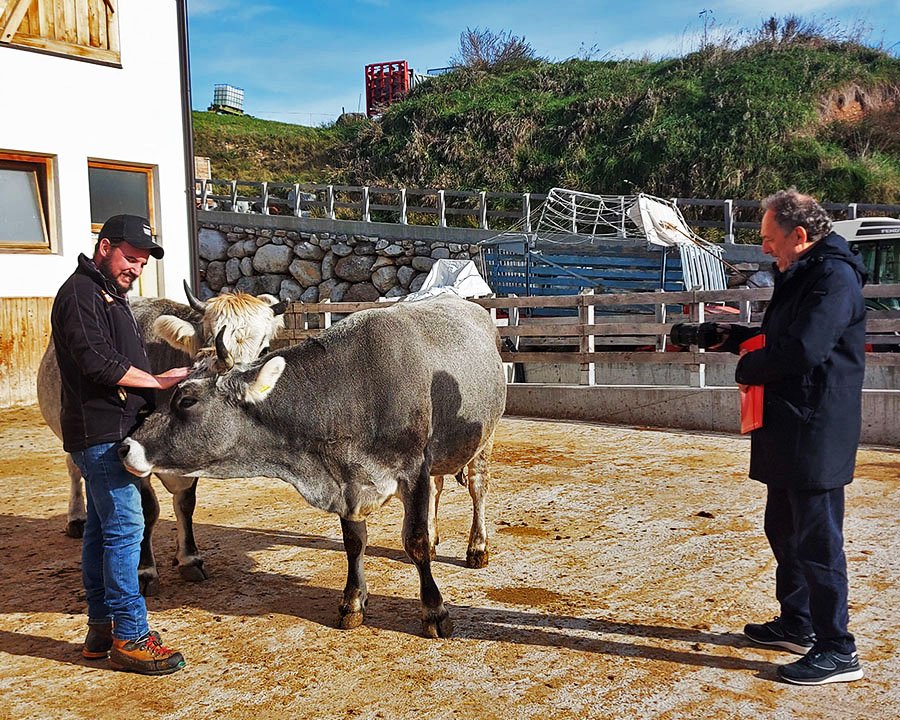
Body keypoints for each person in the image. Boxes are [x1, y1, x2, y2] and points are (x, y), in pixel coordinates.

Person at [714, 190, 867, 685]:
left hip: (816, 426)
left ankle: (838, 648)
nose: (763, 248)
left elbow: (804, 349)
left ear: (798, 236)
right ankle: (798, 623)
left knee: (818, 541)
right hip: (790, 421)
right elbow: (784, 339)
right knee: (783, 528)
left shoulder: (833, 276)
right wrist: (729, 338)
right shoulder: (801, 272)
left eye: (768, 238)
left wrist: (747, 367)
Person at [51, 214, 190, 675]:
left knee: (101, 531)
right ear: (105, 247)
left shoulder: (107, 293)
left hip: (111, 429)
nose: (136, 268)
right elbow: (96, 362)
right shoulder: (81, 293)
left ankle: (101, 629)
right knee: (127, 530)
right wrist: (155, 381)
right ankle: (130, 635)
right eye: (130, 258)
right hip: (101, 433)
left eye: (143, 262)